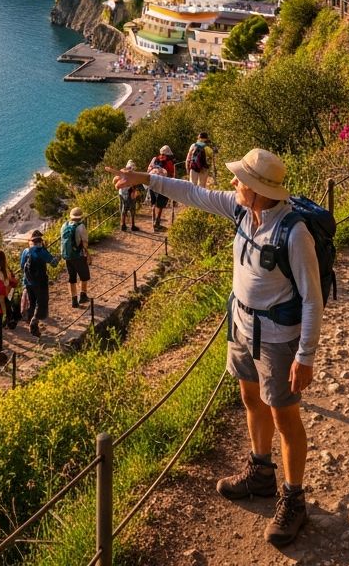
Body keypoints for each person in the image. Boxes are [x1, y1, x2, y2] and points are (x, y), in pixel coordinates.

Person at [107, 148, 323, 548]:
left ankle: (294, 498)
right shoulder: (243, 210)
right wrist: (144, 179)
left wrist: (305, 355)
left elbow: (312, 299)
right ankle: (261, 472)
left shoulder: (295, 234)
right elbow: (192, 193)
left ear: (259, 190)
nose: (233, 183)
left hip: (277, 339)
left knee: (285, 418)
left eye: (240, 179)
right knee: (250, 398)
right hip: (241, 326)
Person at [20, 229, 60, 337]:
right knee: (42, 303)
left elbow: (22, 266)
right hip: (40, 283)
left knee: (33, 304)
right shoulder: (42, 252)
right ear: (40, 241)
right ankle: (34, 321)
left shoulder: (25, 251)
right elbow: (54, 263)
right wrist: (58, 256)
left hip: (28, 283)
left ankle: (34, 329)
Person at [60, 207, 91, 309]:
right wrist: (87, 253)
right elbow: (85, 242)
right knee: (84, 276)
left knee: (72, 278)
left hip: (68, 256)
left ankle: (74, 300)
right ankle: (83, 295)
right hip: (79, 255)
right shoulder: (81, 226)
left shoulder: (64, 225)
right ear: (81, 216)